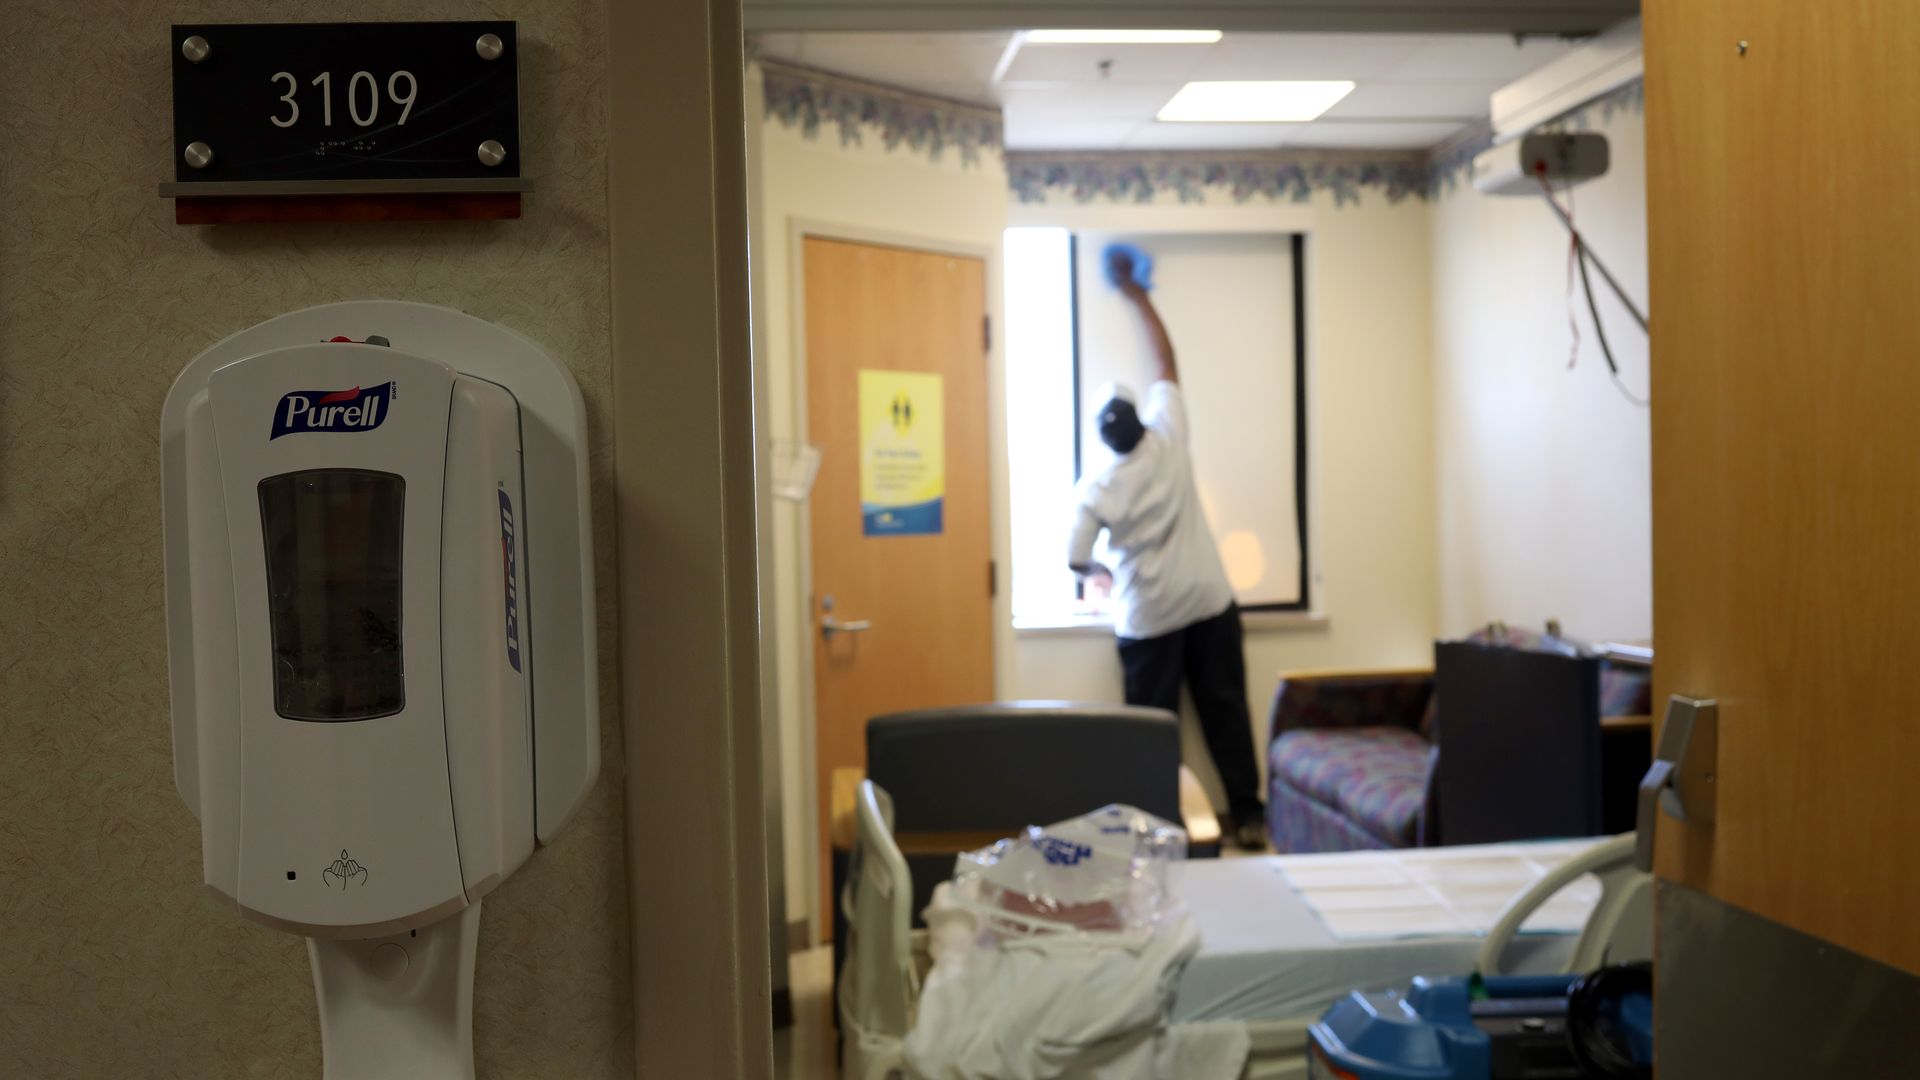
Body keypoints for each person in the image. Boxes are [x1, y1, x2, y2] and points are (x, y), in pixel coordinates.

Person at [1068, 245, 1267, 850]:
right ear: (1137, 416)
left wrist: (1100, 570)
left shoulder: (1098, 486)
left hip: (1148, 617)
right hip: (1207, 604)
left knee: (1153, 732)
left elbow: (1075, 556)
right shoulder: (1169, 436)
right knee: (1226, 716)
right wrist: (1137, 294)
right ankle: (1250, 819)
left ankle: (1154, 831)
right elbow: (1166, 360)